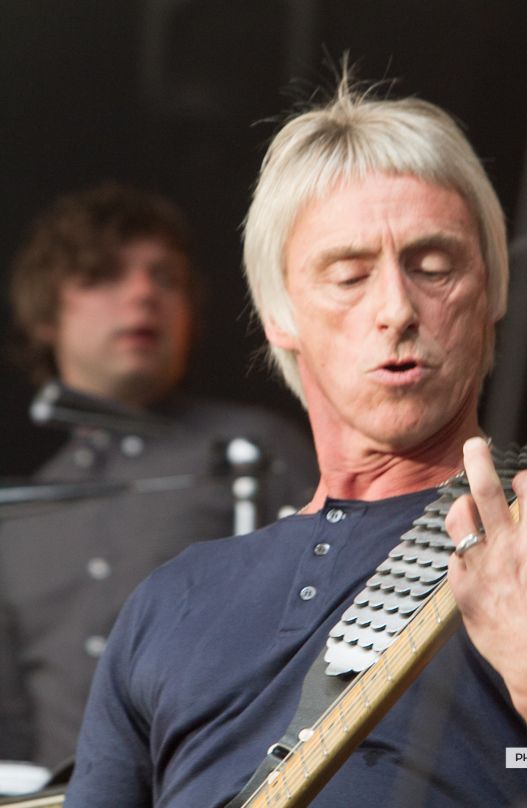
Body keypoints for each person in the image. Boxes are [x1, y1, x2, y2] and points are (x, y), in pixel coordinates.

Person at [65, 81, 527, 808]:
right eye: (349, 274)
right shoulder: (168, 602)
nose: (396, 310)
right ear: (278, 314)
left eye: (434, 267)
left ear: (493, 290)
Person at [0, 183, 317, 772]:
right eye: (105, 276)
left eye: (165, 277)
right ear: (45, 315)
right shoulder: (18, 512)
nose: (144, 293)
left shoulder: (256, 447)